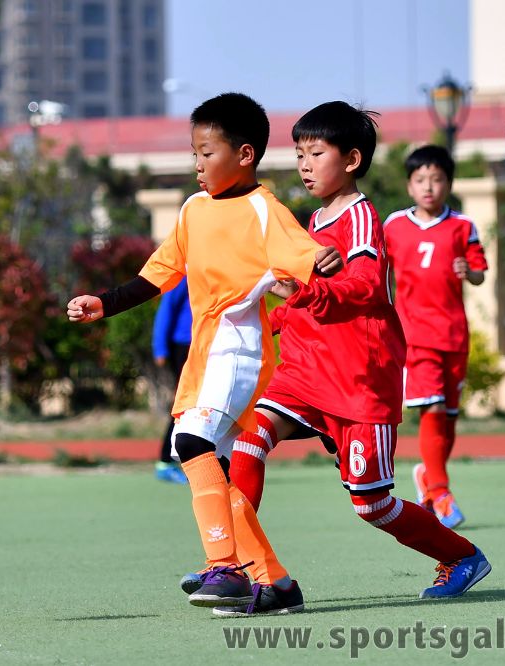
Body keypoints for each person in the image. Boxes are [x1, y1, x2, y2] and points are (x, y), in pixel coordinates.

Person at [67, 92, 343, 616]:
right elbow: (158, 274)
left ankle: (225, 568)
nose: (197, 164)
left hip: (240, 352)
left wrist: (324, 261)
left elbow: (307, 255)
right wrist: (103, 303)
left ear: (244, 154)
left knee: (190, 442)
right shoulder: (194, 209)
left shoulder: (264, 210)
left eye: (207, 153)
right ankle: (277, 584)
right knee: (219, 469)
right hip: (205, 356)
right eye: (194, 152)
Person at [220, 102, 491, 601]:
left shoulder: (361, 217)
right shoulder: (313, 221)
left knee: (372, 505)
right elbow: (305, 299)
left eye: (315, 153)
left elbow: (365, 288)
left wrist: (303, 294)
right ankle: (237, 566)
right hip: (306, 372)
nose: (304, 165)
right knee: (248, 443)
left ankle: (461, 557)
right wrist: (265, 323)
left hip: (359, 379)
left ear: (351, 160)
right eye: (299, 154)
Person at [382, 145, 489, 529]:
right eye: (420, 180)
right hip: (415, 335)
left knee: (448, 420)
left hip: (454, 334)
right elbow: (377, 271)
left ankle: (427, 478)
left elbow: (479, 273)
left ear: (449, 183)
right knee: (433, 408)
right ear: (409, 186)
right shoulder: (393, 225)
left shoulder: (463, 226)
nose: (429, 187)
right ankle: (441, 493)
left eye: (437, 179)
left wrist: (468, 272)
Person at [151, 277, 192, 484]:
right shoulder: (185, 274)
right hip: (184, 347)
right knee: (184, 404)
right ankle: (166, 462)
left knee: (200, 406)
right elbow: (166, 309)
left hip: (205, 345)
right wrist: (160, 348)